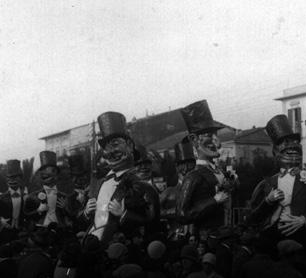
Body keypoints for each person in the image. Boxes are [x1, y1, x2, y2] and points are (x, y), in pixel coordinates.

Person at [248, 114, 306, 252]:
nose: (291, 146)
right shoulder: (265, 184)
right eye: (284, 142)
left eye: (295, 141)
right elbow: (253, 216)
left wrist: (304, 219)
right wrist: (267, 201)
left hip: (302, 238)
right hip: (271, 239)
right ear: (275, 151)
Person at [82, 111, 160, 244]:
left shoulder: (143, 186)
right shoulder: (100, 183)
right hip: (91, 243)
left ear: (129, 145)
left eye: (115, 144)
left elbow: (152, 222)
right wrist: (86, 212)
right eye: (106, 147)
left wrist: (124, 214)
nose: (111, 152)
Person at [176, 100, 233, 236]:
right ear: (194, 139)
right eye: (208, 135)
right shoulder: (193, 176)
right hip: (205, 238)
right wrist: (213, 201)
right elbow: (182, 214)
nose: (216, 141)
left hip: (226, 234)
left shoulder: (219, 172)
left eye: (216, 134)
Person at [24, 151, 72, 229]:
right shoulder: (33, 196)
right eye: (44, 171)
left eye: (52, 171)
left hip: (59, 229)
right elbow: (26, 215)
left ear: (57, 175)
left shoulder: (63, 196)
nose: (46, 174)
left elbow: (71, 216)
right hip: (41, 230)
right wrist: (38, 210)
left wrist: (65, 208)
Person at [0, 159, 26, 243]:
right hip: (5, 230)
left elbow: (27, 212)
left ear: (21, 179)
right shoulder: (1, 197)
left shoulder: (25, 197)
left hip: (20, 231)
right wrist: (0, 219)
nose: (12, 180)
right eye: (9, 178)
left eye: (15, 177)